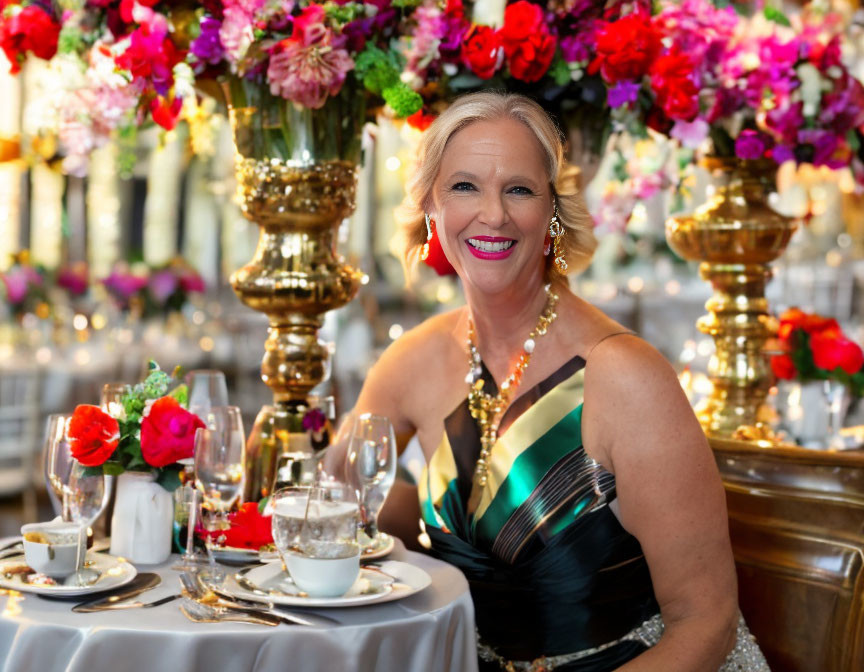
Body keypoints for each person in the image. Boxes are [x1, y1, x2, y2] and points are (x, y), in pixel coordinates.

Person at [341, 92, 769, 671]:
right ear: (430, 208)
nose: (492, 214)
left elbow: (707, 622)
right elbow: (338, 509)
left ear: (553, 213)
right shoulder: (411, 360)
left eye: (519, 189)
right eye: (464, 186)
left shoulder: (624, 376)